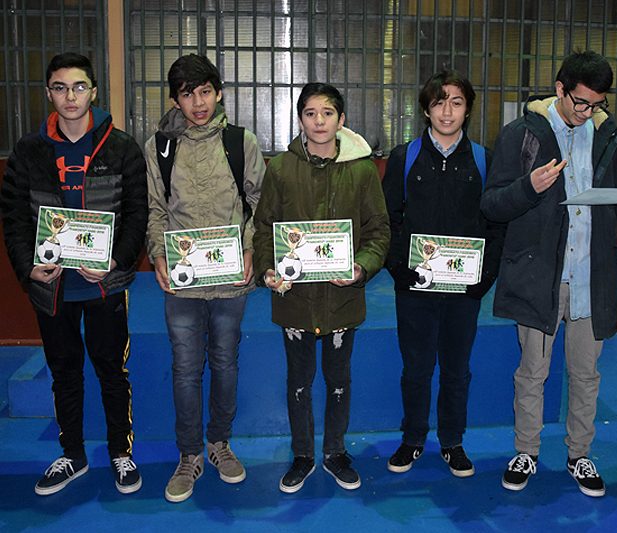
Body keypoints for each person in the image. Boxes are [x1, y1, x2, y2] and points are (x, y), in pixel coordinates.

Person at [480, 50, 617, 497]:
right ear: (560, 89)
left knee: (586, 374)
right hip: (540, 275)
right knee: (532, 371)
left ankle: (580, 454)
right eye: (580, 102)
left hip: (591, 275)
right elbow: (492, 203)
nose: (587, 112)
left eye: (596, 104)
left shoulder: (609, 135)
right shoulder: (522, 134)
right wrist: (529, 187)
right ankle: (527, 451)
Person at [0, 53, 147, 495]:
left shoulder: (121, 147)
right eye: (60, 87)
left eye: (79, 87)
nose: (70, 96)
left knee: (111, 370)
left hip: (104, 285)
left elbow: (137, 215)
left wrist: (116, 261)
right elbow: (13, 216)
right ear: (49, 93)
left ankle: (121, 453)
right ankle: (73, 455)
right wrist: (29, 269)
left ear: (94, 91)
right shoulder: (29, 151)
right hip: (53, 286)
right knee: (64, 371)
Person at [252, 82, 389, 493]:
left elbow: (379, 232)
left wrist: (361, 268)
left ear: (341, 120)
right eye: (310, 113)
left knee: (339, 378)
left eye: (327, 113)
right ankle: (302, 455)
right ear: (300, 120)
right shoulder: (279, 169)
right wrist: (268, 270)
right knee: (298, 379)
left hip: (342, 298)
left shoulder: (362, 170)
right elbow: (263, 230)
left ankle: (334, 452)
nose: (319, 121)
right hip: (294, 300)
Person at [144, 53, 266, 503]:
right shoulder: (159, 146)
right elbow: (156, 209)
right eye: (186, 94)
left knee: (225, 362)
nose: (197, 102)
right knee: (184, 368)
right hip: (182, 278)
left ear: (218, 93)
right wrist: (158, 253)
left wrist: (251, 244)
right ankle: (189, 454)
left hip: (233, 277)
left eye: (204, 92)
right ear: (175, 99)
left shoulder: (241, 142)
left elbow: (260, 201)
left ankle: (219, 443)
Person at [381, 70, 503, 477]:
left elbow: (495, 222)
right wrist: (400, 269)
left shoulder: (484, 159)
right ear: (426, 109)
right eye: (438, 102)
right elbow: (388, 219)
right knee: (415, 368)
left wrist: (482, 279)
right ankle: (412, 439)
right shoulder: (405, 156)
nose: (447, 111)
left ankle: (452, 441)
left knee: (456, 369)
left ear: (467, 109)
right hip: (414, 288)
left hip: (464, 290)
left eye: (456, 102)